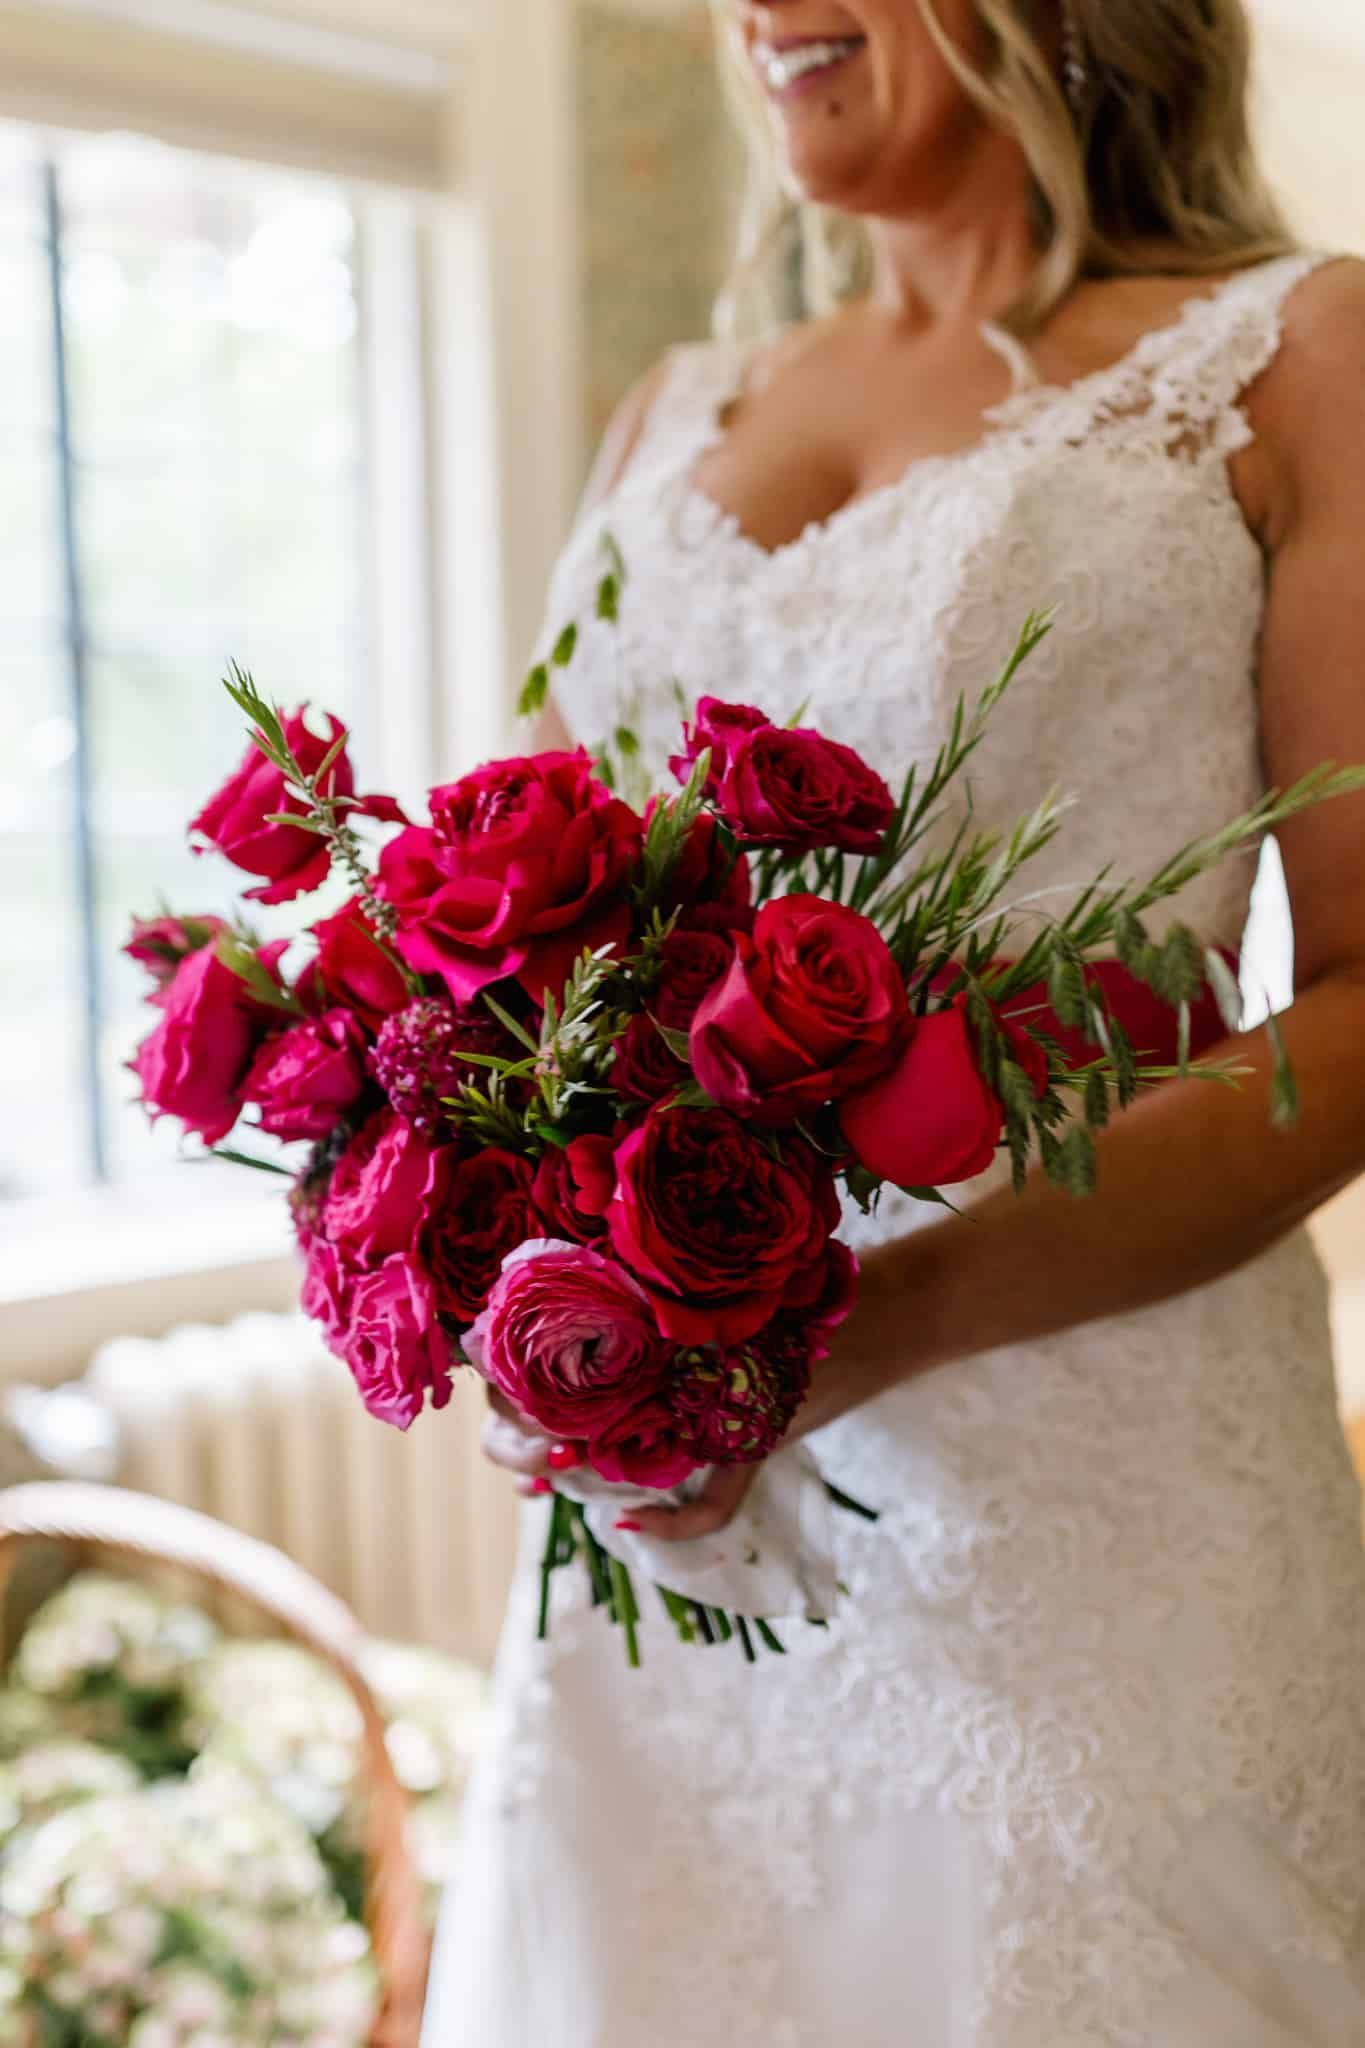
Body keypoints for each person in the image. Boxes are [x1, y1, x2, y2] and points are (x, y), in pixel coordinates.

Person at [422, 3, 1365, 2041]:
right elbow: (526, 978)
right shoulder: (667, 411)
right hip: (672, 1554)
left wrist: (862, 1325)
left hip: (1101, 1514)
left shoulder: (1296, 356)